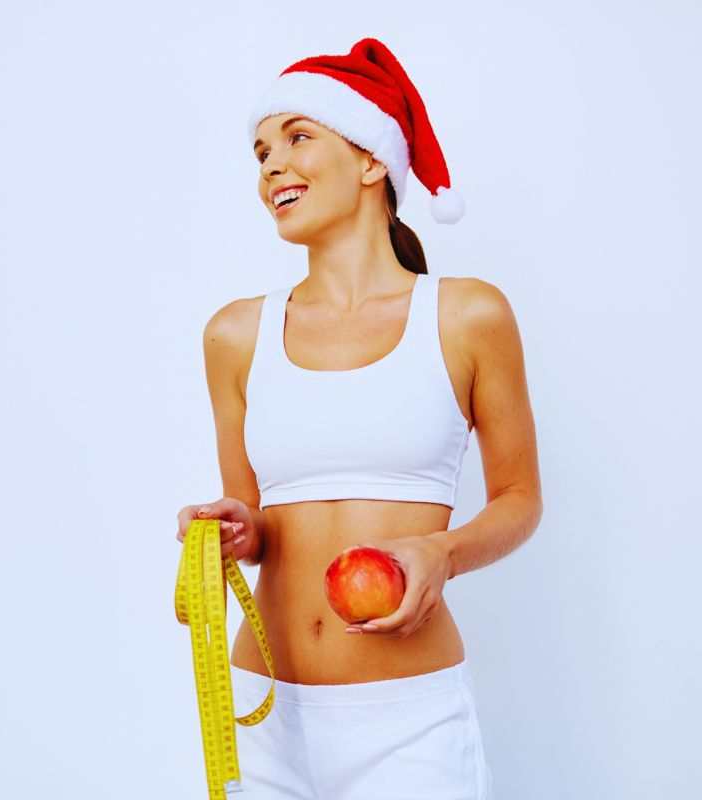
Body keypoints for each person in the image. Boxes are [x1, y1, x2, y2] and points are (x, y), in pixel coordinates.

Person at [175, 38, 542, 799]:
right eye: (260, 151)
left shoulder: (467, 315)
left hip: (409, 723)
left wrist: (441, 554)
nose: (271, 165)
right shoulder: (234, 335)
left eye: (298, 137)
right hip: (261, 714)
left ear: (373, 159)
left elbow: (519, 500)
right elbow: (255, 518)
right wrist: (236, 529)